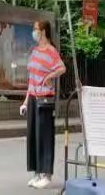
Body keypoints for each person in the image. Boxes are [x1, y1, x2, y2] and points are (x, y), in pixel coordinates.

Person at [19, 20, 65, 189]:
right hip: (33, 98)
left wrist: (49, 76)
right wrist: (25, 102)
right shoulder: (35, 51)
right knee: (33, 136)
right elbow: (31, 79)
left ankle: (47, 175)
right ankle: (36, 173)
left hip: (45, 98)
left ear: (44, 31)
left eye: (36, 29)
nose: (34, 32)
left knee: (44, 136)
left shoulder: (51, 51)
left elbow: (62, 68)